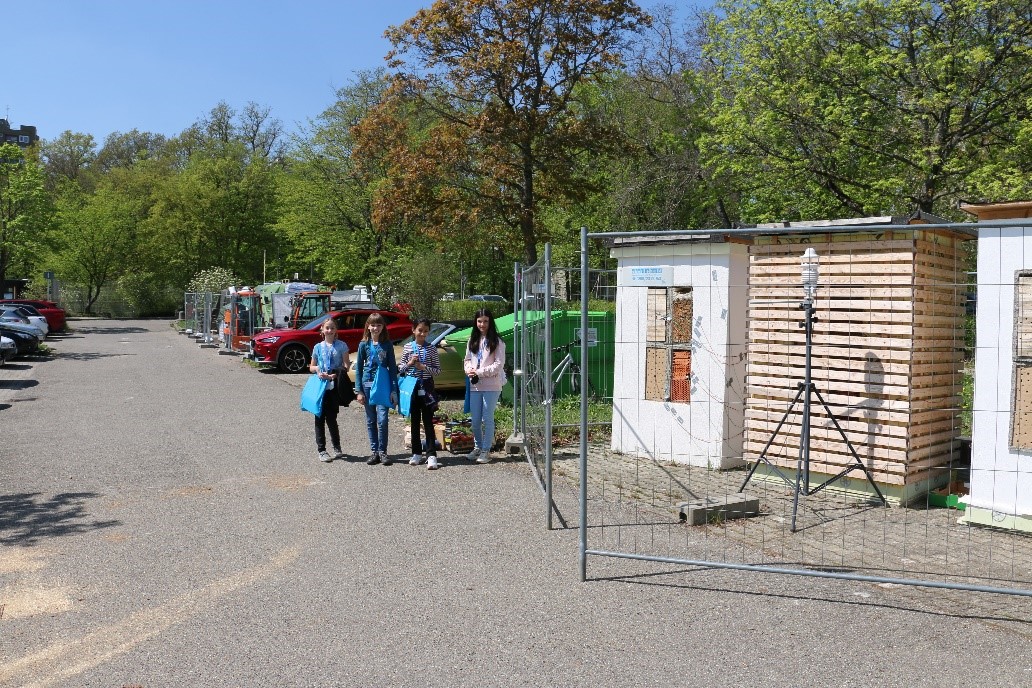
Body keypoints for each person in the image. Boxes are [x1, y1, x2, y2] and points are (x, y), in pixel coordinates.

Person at [353, 312, 399, 465]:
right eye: (373, 325)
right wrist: (358, 390)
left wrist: (394, 390)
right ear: (368, 326)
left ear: (382, 327)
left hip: (383, 386)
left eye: (379, 325)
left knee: (383, 419)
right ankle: (374, 452)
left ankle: (383, 452)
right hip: (367, 385)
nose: (375, 327)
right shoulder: (363, 344)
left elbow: (392, 368)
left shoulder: (387, 344)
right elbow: (359, 368)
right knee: (371, 420)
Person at [464, 308, 506, 464]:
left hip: (491, 385)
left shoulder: (498, 342)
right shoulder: (472, 340)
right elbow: (467, 360)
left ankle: (486, 450)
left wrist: (479, 372)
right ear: (476, 322)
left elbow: (498, 365)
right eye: (479, 321)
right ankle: (477, 446)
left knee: (487, 418)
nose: (482, 324)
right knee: (475, 420)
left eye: (486, 321)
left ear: (490, 322)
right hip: (475, 385)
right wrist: (469, 370)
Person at [400, 318, 442, 470]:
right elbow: (401, 369)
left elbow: (437, 370)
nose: (422, 333)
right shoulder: (407, 347)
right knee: (415, 421)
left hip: (427, 387)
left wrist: (424, 367)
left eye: (425, 331)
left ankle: (431, 455)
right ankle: (416, 453)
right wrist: (410, 363)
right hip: (412, 387)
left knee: (428, 421)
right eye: (420, 330)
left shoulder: (431, 348)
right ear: (413, 330)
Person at [309, 318, 351, 463]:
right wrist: (318, 370)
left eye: (332, 328)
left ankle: (337, 447)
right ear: (322, 330)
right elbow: (311, 367)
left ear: (336, 330)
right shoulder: (317, 347)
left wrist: (335, 373)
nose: (330, 330)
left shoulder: (342, 346)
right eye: (327, 328)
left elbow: (346, 365)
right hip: (320, 387)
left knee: (332, 418)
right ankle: (321, 450)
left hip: (334, 386)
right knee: (319, 418)